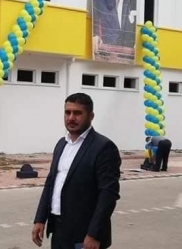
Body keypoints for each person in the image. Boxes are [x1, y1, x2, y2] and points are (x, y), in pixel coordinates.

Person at [32, 93, 121, 249]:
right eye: (67, 112)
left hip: (85, 235)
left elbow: (108, 195)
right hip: (58, 231)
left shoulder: (103, 148)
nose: (71, 118)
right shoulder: (62, 144)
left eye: (78, 113)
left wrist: (94, 234)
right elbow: (51, 183)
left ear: (91, 116)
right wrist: (40, 219)